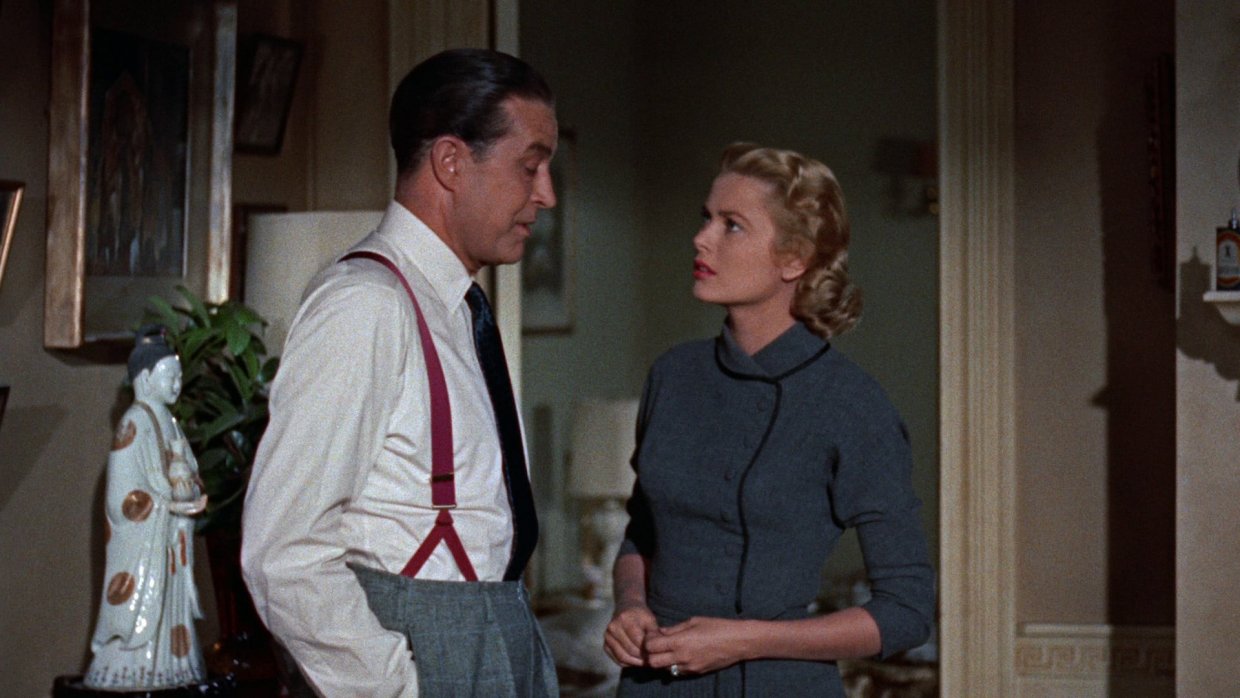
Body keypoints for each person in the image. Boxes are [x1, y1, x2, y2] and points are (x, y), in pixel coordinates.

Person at [241, 48, 560, 697]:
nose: (546, 195)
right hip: (426, 657)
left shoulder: (458, 307)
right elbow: (283, 552)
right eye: (530, 167)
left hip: (498, 634)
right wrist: (397, 688)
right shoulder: (366, 305)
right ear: (450, 162)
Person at [604, 143, 935, 696]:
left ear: (794, 259)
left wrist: (744, 640)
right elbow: (643, 533)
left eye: (731, 225)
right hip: (653, 684)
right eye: (706, 218)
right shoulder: (673, 375)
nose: (701, 238)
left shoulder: (853, 405)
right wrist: (630, 605)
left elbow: (906, 612)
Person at [85, 325, 208, 690]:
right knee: (145, 606)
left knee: (173, 609)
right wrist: (167, 504)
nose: (177, 384)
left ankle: (173, 665)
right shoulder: (133, 423)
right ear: (145, 378)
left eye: (180, 377)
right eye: (170, 376)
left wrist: (191, 492)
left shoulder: (172, 423)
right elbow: (122, 496)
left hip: (171, 542)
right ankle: (131, 668)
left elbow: (190, 470)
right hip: (148, 543)